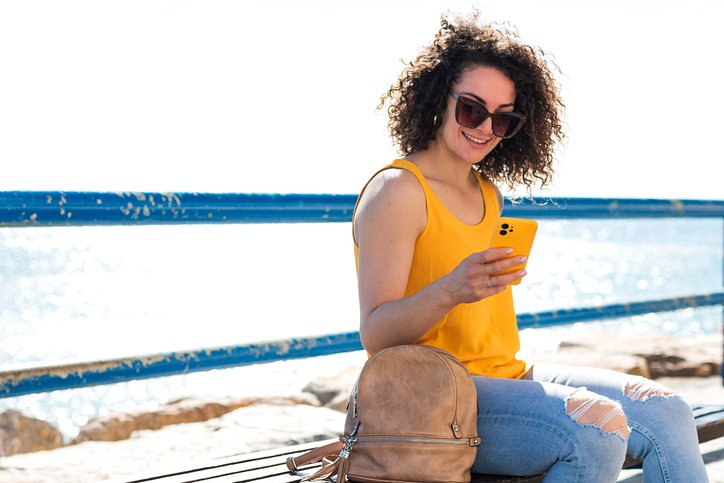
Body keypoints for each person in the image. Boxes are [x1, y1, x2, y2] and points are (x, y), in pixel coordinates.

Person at [351, 12, 708, 483]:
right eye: (472, 109)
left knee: (668, 411)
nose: (485, 128)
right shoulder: (398, 191)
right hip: (438, 397)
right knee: (596, 431)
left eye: (504, 119)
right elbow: (376, 337)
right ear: (439, 97)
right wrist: (453, 288)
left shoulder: (487, 192)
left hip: (507, 376)